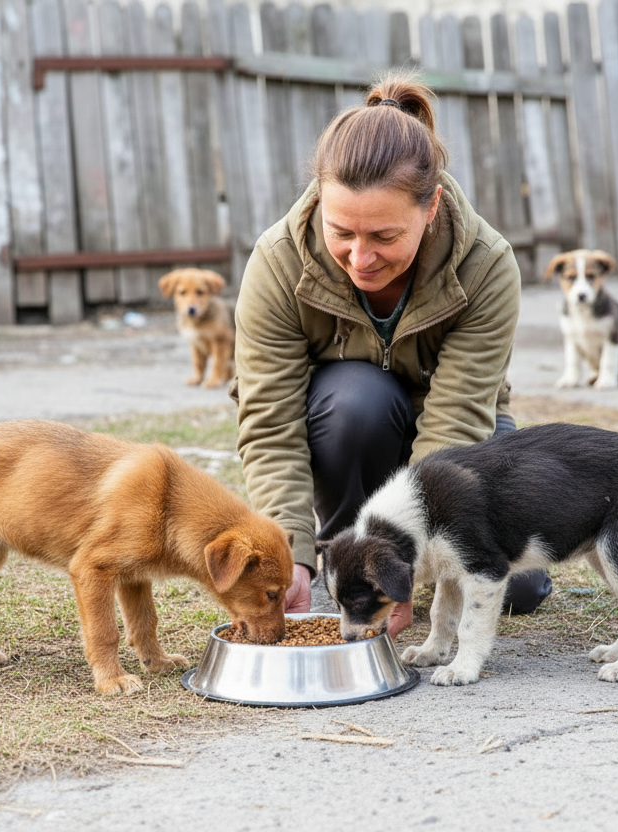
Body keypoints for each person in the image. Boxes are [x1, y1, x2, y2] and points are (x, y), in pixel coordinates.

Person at [230, 71, 551, 637]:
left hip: (456, 440)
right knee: (357, 397)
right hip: (349, 427)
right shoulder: (277, 261)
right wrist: (292, 551)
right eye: (342, 233)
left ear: (431, 211)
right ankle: (341, 550)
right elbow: (271, 421)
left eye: (383, 237)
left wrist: (416, 566)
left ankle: (372, 552)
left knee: (514, 584)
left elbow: (457, 418)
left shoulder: (488, 265)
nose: (360, 257)